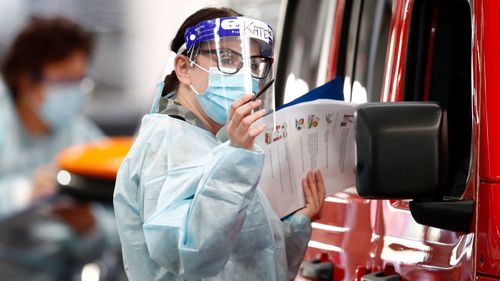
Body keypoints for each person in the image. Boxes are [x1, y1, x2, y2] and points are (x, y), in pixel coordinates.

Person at [113, 7, 326, 281]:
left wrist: (298, 223)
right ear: (183, 68)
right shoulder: (168, 141)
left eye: (252, 63)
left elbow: (253, 261)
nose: (243, 74)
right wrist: (237, 158)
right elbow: (190, 254)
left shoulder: (209, 144)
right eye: (226, 57)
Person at [0, 17, 104, 216]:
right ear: (24, 81)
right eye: (63, 80)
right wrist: (23, 193)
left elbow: (119, 215)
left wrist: (90, 227)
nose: (73, 92)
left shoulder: (81, 133)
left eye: (79, 80)